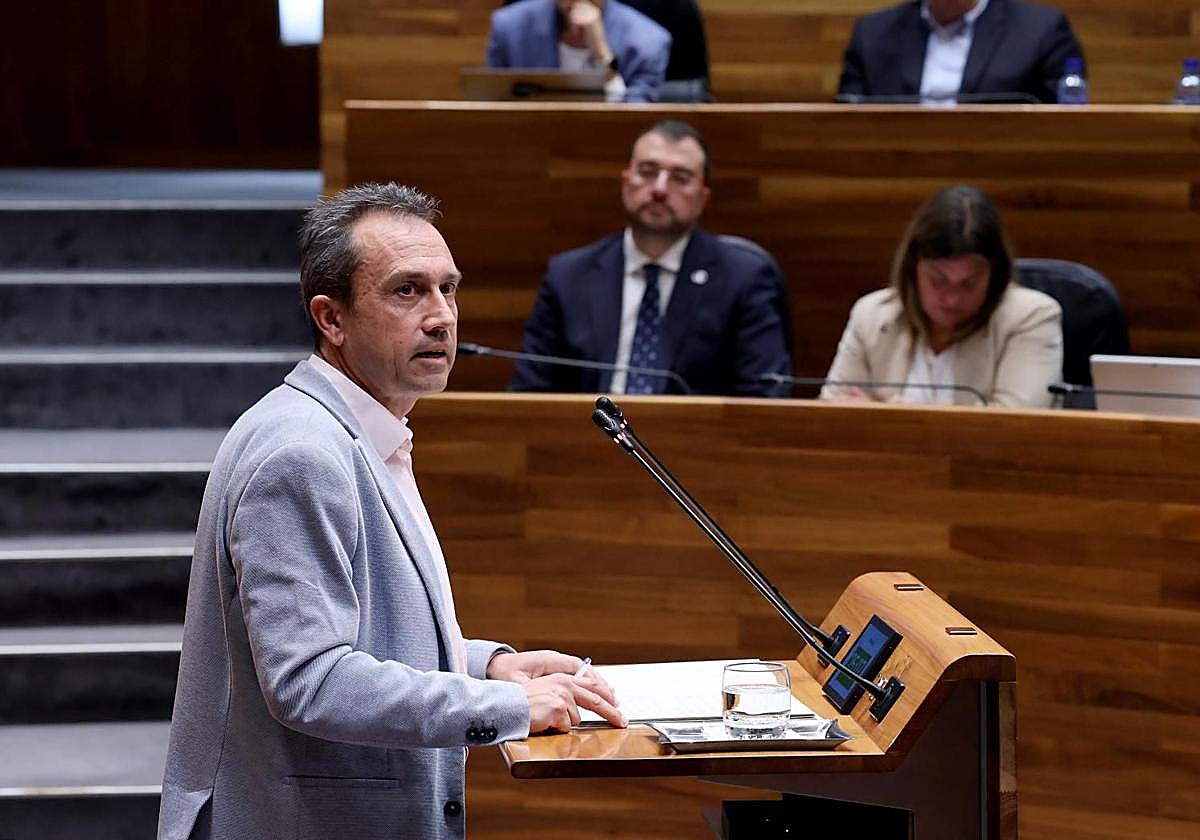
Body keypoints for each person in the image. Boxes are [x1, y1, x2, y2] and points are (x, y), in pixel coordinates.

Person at [157, 183, 625, 840]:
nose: (441, 316)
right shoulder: (302, 453)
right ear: (332, 318)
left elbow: (362, 633)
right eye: (408, 291)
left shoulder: (361, 433)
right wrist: (504, 704)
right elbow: (310, 678)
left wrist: (485, 664)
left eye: (449, 289)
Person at [509, 120, 793, 397]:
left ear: (703, 197)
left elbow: (765, 397)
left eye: (680, 178)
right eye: (647, 172)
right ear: (625, 181)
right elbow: (529, 395)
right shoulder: (568, 276)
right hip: (587, 437)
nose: (659, 188)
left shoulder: (744, 278)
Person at [820, 184, 1062, 408]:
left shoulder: (1032, 318)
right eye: (938, 280)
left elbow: (1016, 427)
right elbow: (831, 414)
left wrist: (893, 415)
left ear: (994, 275)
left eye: (969, 283)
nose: (952, 299)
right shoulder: (871, 315)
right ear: (913, 268)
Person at [838, 0, 1085, 104]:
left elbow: (1065, 128)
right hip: (895, 175)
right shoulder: (872, 34)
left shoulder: (1040, 31)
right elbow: (846, 121)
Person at [486, 0, 672, 103]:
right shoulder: (509, 28)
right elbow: (494, 104)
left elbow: (635, 120)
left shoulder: (649, 41)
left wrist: (602, 55)